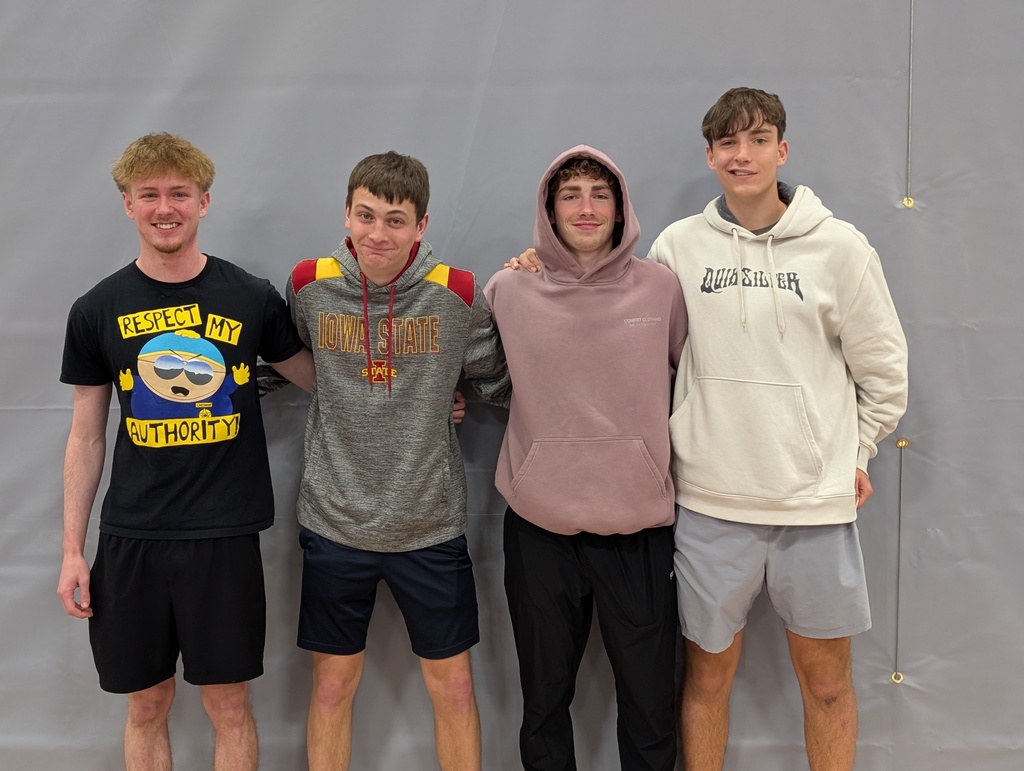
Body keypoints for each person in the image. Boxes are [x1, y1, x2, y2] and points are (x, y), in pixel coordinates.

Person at [511, 88, 909, 770]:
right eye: (729, 143)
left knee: (828, 686)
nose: (742, 154)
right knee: (703, 683)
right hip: (708, 506)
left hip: (812, 507)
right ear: (711, 156)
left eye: (757, 140)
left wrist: (857, 449)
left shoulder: (840, 248)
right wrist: (542, 264)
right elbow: (617, 319)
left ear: (781, 151)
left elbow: (886, 370)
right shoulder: (679, 248)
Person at [58, 132, 313, 771]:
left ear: (204, 201)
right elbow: (86, 434)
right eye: (149, 195)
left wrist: (422, 395)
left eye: (179, 194)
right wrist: (71, 549)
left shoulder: (250, 297)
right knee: (146, 704)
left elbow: (324, 380)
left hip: (223, 534)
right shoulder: (96, 309)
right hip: (131, 536)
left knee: (228, 705)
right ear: (127, 205)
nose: (164, 208)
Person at [286, 150, 511, 771]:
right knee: (331, 688)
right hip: (336, 520)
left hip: (429, 524)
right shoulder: (308, 284)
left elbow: (501, 383)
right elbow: (275, 366)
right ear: (346, 214)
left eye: (394, 220)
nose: (376, 234)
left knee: (456, 689)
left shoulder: (458, 294)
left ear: (422, 226)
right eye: (365, 216)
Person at [485, 147, 687, 770]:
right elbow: (483, 380)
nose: (586, 207)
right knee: (545, 705)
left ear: (621, 205)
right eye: (569, 194)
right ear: (549, 209)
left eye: (600, 193)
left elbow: (687, 382)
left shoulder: (662, 287)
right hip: (540, 528)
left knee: (652, 708)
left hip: (640, 529)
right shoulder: (508, 289)